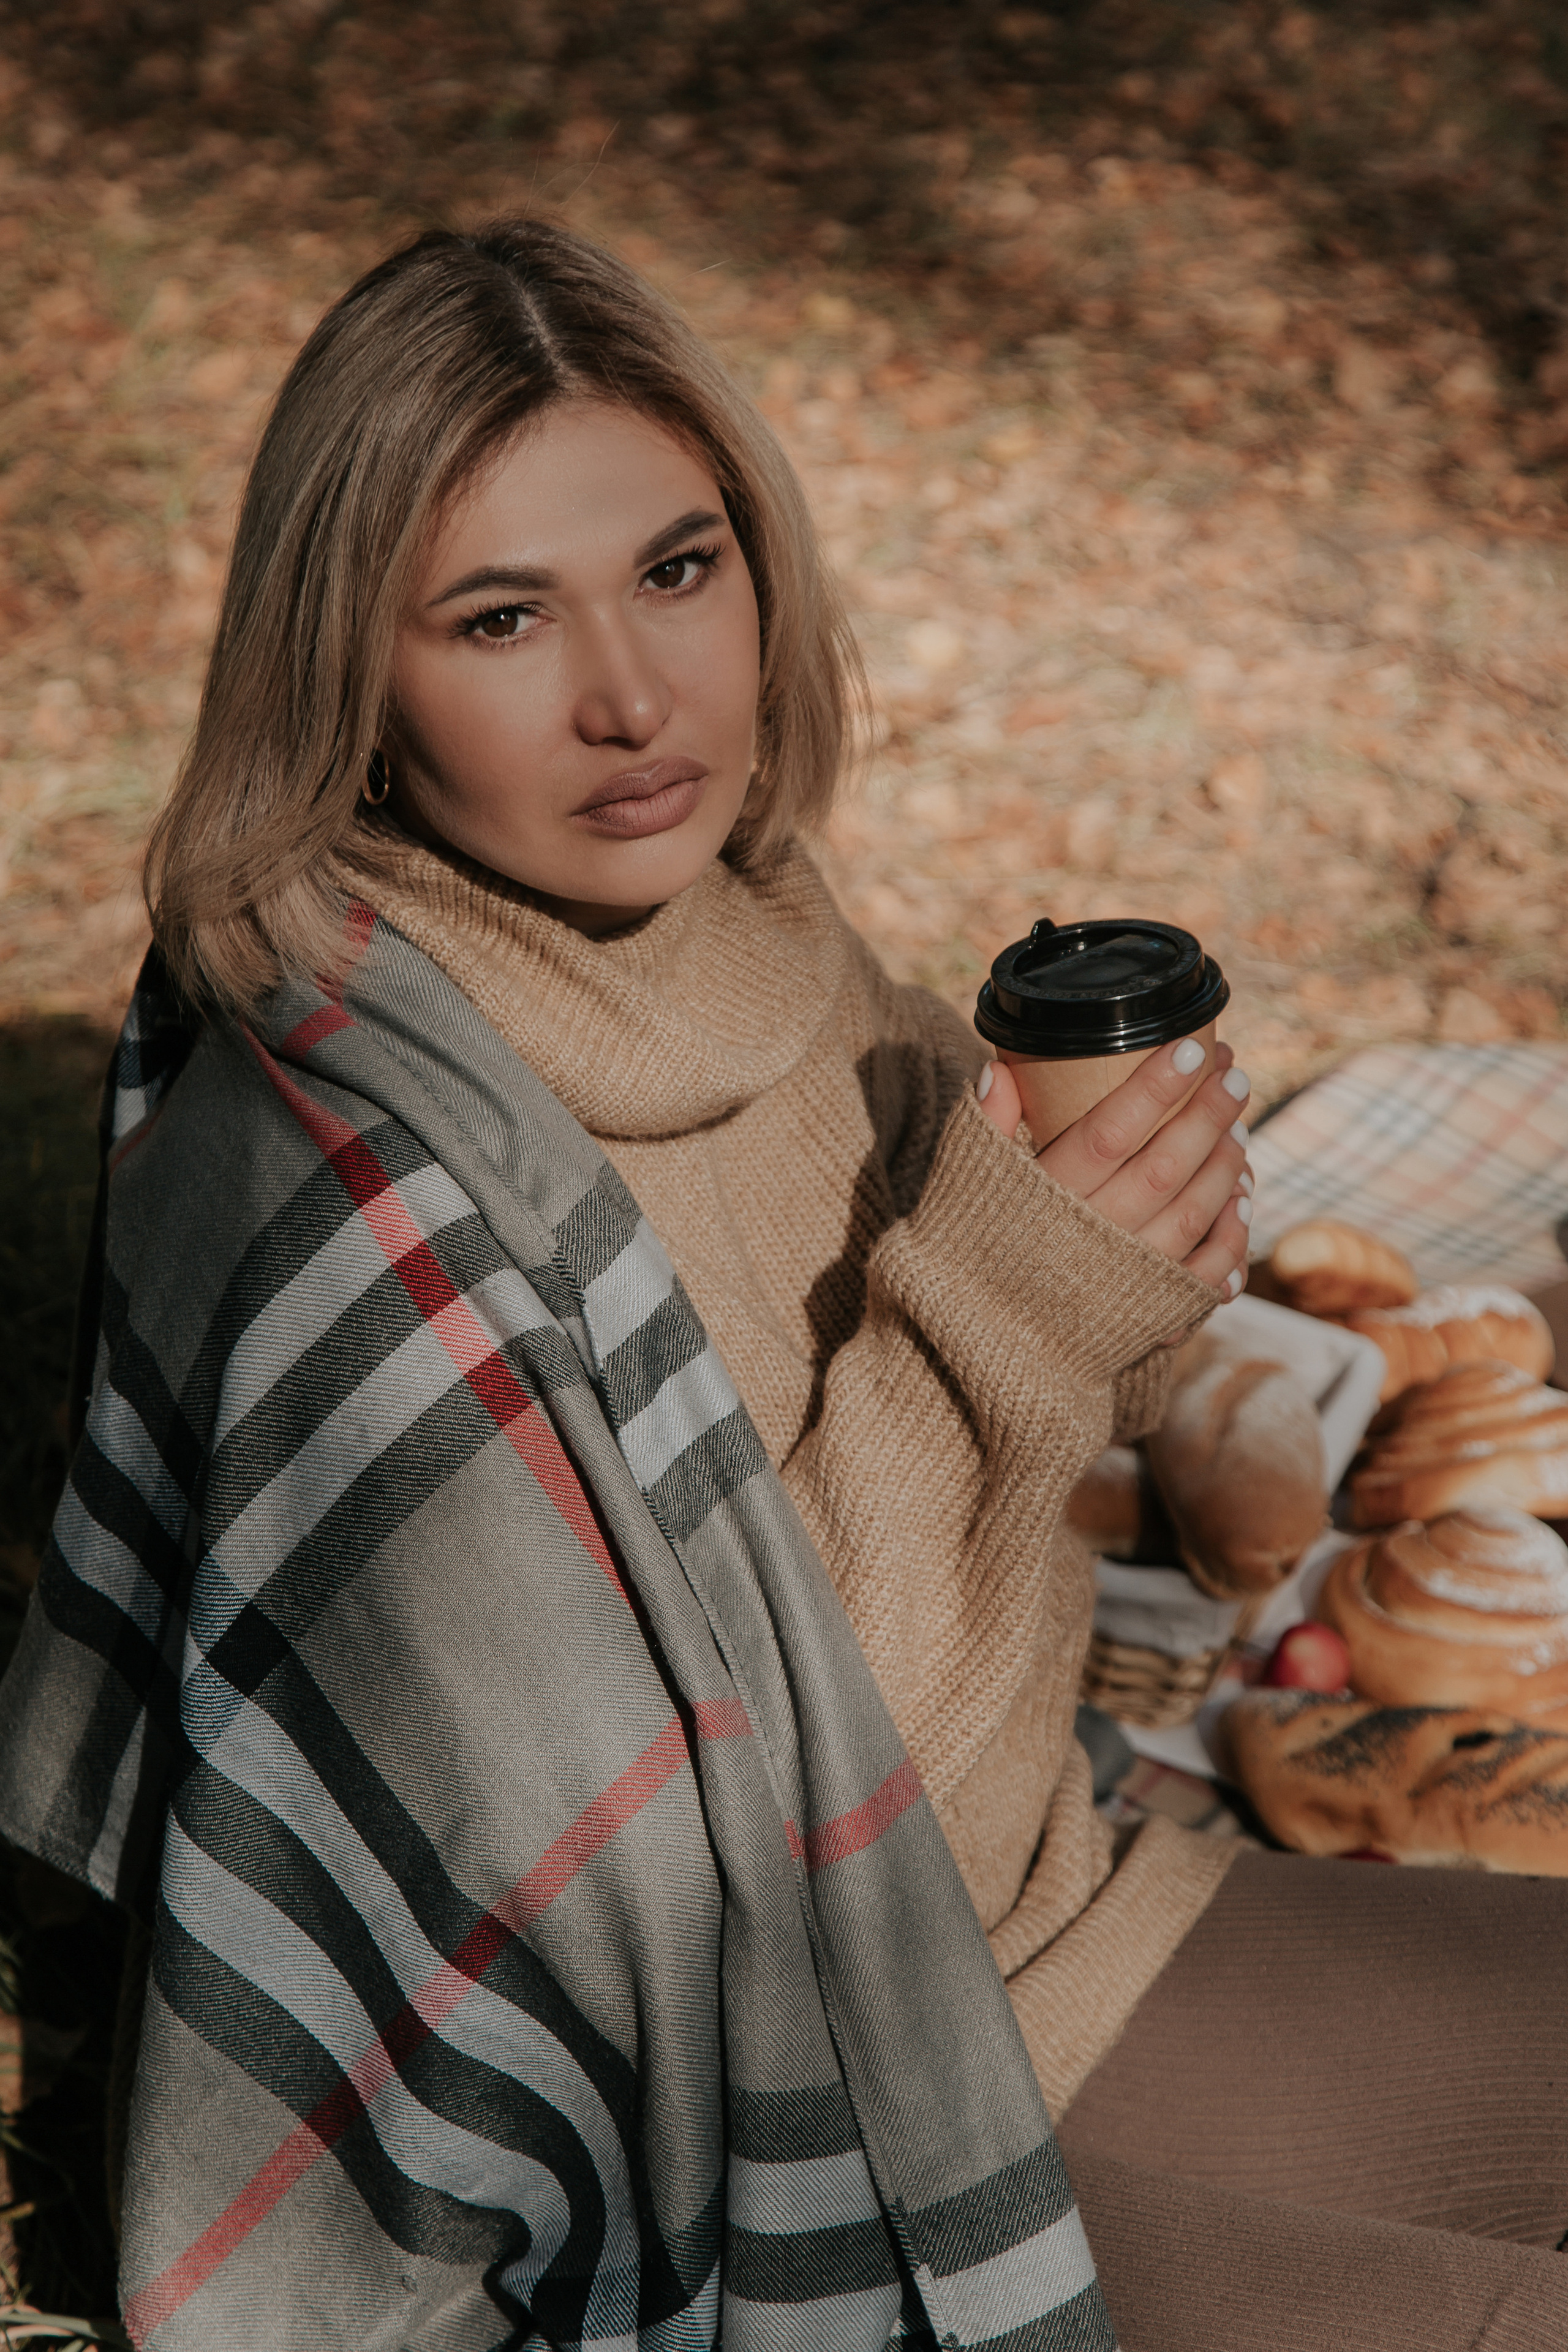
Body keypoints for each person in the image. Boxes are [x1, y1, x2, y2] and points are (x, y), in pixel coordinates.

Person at [0, 219, 1562, 2352]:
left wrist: (1104, 1260)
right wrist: (1009, 1308)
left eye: (678, 568)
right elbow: (745, 1894)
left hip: (1053, 1922)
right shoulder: (348, 1183)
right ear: (349, 677)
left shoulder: (753, 937)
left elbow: (994, 1420)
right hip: (769, 2145)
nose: (638, 700)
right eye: (498, 618)